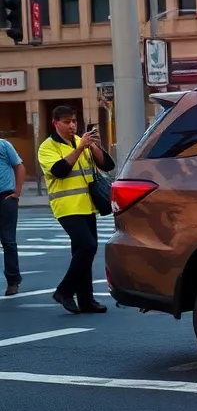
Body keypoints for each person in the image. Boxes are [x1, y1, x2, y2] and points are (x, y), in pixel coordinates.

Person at [37, 106, 114, 314]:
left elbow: (107, 166)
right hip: (67, 207)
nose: (72, 125)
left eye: (74, 121)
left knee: (83, 252)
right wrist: (80, 148)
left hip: (88, 205)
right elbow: (59, 171)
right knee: (87, 247)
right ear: (55, 123)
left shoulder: (81, 141)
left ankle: (86, 300)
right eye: (66, 122)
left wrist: (94, 146)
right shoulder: (48, 147)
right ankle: (64, 291)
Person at [0, 134, 25, 296]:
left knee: (8, 240)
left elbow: (19, 166)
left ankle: (13, 281)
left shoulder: (3, 145)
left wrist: (17, 192)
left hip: (5, 197)